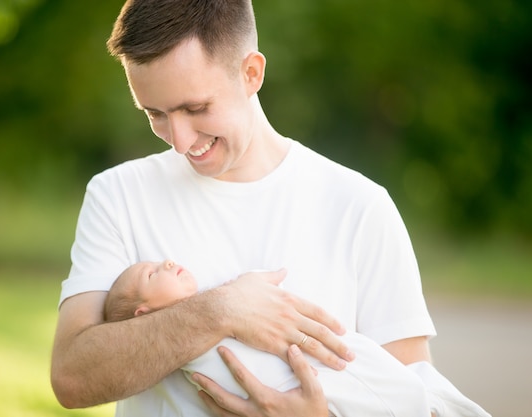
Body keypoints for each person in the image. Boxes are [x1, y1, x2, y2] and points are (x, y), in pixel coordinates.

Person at [50, 1, 490, 416]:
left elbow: (410, 395)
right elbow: (72, 378)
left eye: (195, 108)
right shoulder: (118, 195)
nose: (180, 141)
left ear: (251, 73)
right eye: (155, 114)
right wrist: (220, 311)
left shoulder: (360, 207)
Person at [102, 259, 490, 417]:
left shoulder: (215, 303)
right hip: (318, 382)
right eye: (153, 274)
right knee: (407, 397)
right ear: (144, 314)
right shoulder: (183, 351)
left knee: (416, 382)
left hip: (333, 362)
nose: (167, 262)